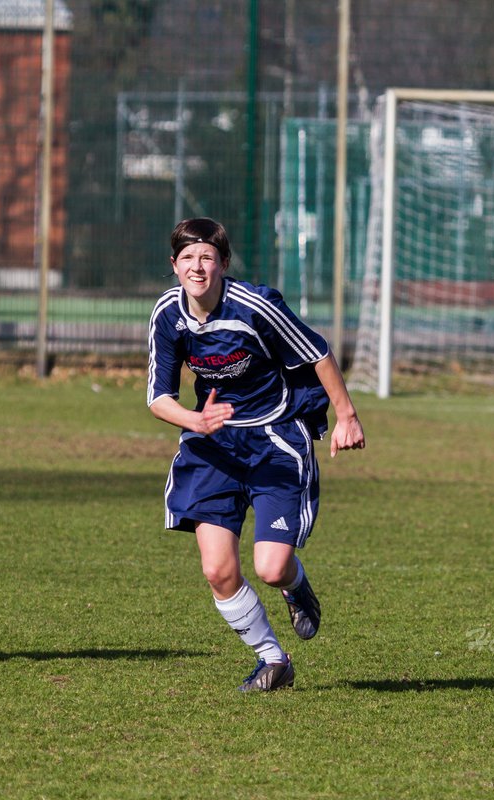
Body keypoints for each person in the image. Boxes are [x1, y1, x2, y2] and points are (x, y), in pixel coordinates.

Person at [147, 217, 365, 692]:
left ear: (224, 263)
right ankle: (273, 659)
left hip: (274, 440)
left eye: (207, 257)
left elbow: (318, 352)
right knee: (217, 569)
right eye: (187, 258)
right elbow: (158, 397)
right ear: (174, 265)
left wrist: (346, 416)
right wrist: (195, 421)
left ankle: (294, 584)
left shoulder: (257, 305)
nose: (197, 268)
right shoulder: (168, 314)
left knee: (270, 568)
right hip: (213, 445)